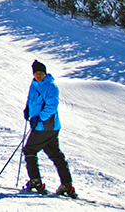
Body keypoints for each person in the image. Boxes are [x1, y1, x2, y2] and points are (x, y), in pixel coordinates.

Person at [22, 60, 76, 197]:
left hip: (45, 126)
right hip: (43, 126)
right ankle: (67, 184)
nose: (38, 75)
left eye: (41, 73)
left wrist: (38, 118)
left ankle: (35, 181)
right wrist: (27, 109)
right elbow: (31, 99)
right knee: (55, 154)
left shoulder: (51, 87)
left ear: (45, 73)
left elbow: (51, 107)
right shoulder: (34, 85)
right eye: (36, 73)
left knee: (29, 150)